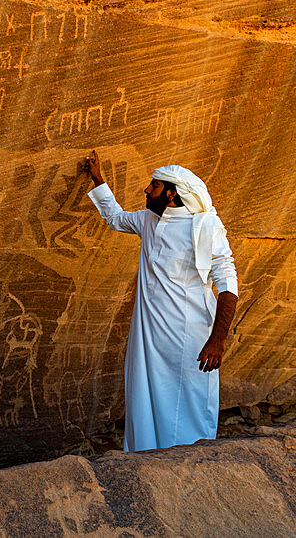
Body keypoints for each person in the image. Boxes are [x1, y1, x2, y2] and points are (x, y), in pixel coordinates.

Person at [83, 150, 238, 451]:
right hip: (149, 337)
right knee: (145, 399)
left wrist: (217, 340)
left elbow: (228, 284)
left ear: (171, 195)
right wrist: (98, 178)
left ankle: (191, 470)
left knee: (188, 403)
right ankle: (145, 462)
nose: (146, 189)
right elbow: (114, 217)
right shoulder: (147, 221)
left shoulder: (206, 228)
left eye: (153, 186)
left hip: (189, 339)